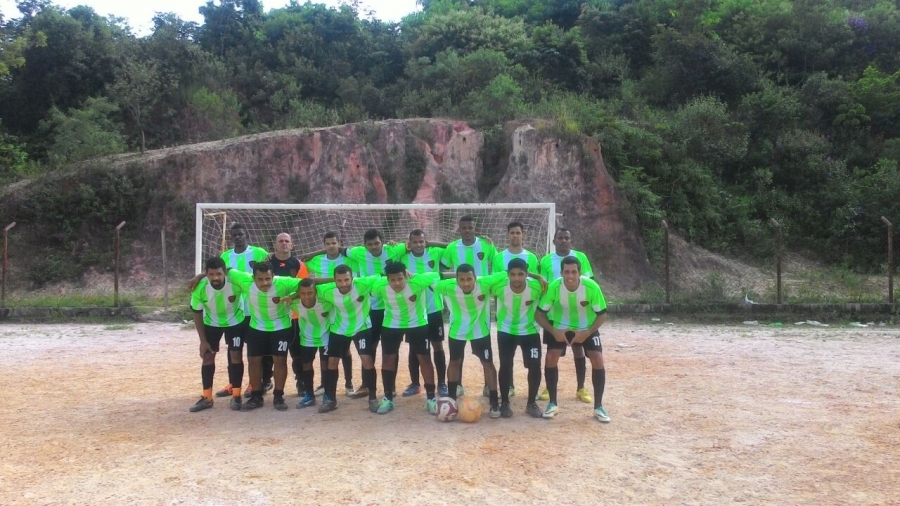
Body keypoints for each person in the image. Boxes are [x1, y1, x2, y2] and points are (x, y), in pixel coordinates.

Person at [534, 256, 610, 422]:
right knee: (551, 356)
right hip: (560, 326)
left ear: (580, 272)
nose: (570, 276)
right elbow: (539, 314)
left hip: (585, 327)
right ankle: (552, 403)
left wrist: (587, 333)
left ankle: (598, 407)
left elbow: (602, 315)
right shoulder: (554, 287)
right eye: (566, 272)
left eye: (574, 272)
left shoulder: (591, 287)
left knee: (597, 358)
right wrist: (553, 331)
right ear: (561, 273)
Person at [433, 264, 507, 418]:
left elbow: (507, 272)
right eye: (462, 279)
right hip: (457, 331)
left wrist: (537, 276)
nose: (466, 283)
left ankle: (494, 402)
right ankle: (451, 400)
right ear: (456, 279)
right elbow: (428, 280)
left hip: (480, 331)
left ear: (475, 278)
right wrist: (408, 273)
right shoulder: (447, 286)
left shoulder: (485, 283)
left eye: (469, 279)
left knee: (488, 364)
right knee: (454, 362)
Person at [368, 262, 441, 414]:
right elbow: (371, 289)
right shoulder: (380, 286)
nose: (397, 283)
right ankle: (388, 398)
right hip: (391, 324)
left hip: (417, 323)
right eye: (392, 279)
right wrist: (380, 276)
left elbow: (436, 275)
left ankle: (431, 398)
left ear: (406, 277)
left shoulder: (418, 281)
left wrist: (413, 273)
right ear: (387, 279)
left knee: (425, 359)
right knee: (388, 359)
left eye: (400, 278)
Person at [228, 262, 302, 411]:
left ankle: (279, 397)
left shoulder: (284, 282)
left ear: (273, 276)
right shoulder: (244, 280)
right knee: (254, 361)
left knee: (280, 361)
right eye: (260, 279)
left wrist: (293, 296)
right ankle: (256, 397)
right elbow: (226, 270)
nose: (265, 283)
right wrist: (198, 277)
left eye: (268, 279)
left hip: (281, 327)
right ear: (253, 278)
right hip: (257, 327)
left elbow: (309, 284)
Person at [343, 229, 406, 399]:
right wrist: (310, 254)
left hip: (391, 310)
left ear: (382, 242)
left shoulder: (394, 249)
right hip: (369, 309)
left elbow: (414, 245)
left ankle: (391, 386)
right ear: (364, 245)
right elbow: (338, 250)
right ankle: (366, 385)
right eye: (369, 244)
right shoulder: (358, 253)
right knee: (369, 348)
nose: (374, 247)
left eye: (377, 243)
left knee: (390, 350)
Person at [537, 227, 596, 405]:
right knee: (552, 353)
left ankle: (581, 388)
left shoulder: (581, 257)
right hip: (556, 315)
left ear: (571, 241)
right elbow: (544, 286)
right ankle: (549, 387)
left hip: (579, 315)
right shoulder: (546, 260)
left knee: (578, 349)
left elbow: (589, 282)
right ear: (554, 241)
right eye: (560, 238)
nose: (563, 240)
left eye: (566, 238)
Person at [212, 223, 270, 399]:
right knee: (233, 348)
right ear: (231, 237)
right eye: (235, 235)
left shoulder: (259, 253)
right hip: (234, 310)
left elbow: (269, 275)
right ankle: (233, 383)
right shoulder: (225, 256)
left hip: (255, 309)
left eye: (241, 234)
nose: (238, 237)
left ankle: (257, 382)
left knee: (256, 349)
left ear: (247, 235)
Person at [315, 265, 383, 413]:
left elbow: (382, 275)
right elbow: (307, 285)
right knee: (332, 361)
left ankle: (373, 398)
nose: (343, 284)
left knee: (367, 359)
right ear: (334, 280)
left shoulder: (363, 283)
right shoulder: (326, 290)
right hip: (339, 328)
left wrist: (405, 272)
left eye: (346, 280)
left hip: (362, 326)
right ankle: (331, 399)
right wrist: (292, 297)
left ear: (352, 278)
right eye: (339, 281)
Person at [441, 216, 497, 397]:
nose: (467, 230)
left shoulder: (487, 245)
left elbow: (496, 266)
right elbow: (442, 268)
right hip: (460, 301)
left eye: (470, 227)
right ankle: (457, 385)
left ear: (475, 227)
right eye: (463, 227)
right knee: (457, 348)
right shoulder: (452, 247)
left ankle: (488, 386)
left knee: (484, 348)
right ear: (459, 229)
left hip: (481, 301)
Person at [490, 258, 547, 418]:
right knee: (506, 365)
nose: (516, 278)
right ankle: (505, 402)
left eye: (520, 274)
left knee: (535, 366)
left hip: (530, 331)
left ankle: (531, 403)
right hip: (506, 331)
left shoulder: (537, 286)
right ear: (507, 274)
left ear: (526, 274)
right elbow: (479, 283)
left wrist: (538, 277)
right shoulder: (498, 286)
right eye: (513, 274)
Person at [188, 257, 247, 412]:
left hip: (235, 321)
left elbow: (253, 284)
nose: (215, 278)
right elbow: (197, 313)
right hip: (211, 323)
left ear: (225, 273)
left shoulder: (235, 281)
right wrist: (202, 341)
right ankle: (207, 397)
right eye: (211, 274)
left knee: (236, 355)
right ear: (206, 274)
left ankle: (236, 395)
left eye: (219, 274)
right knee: (208, 356)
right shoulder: (200, 287)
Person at [396, 229, 449, 398]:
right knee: (414, 348)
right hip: (414, 312)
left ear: (426, 242)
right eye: (415, 242)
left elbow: (452, 247)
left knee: (437, 346)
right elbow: (389, 259)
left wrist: (432, 243)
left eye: (422, 241)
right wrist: (397, 245)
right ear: (409, 243)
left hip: (433, 309)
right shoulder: (403, 258)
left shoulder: (435, 253)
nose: (418, 245)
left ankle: (442, 383)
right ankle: (415, 383)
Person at [303, 231, 356, 396]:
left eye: (334, 243)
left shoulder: (349, 260)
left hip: (344, 306)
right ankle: (324, 383)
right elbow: (301, 264)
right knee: (325, 347)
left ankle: (349, 383)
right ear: (324, 245)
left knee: (345, 348)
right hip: (324, 306)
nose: (331, 246)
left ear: (339, 243)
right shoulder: (316, 261)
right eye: (328, 244)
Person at [266, 233, 314, 399]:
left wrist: (291, 298)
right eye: (280, 241)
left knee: (297, 353)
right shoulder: (267, 263)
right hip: (271, 316)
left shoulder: (299, 265)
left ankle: (301, 382)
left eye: (287, 241)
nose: (284, 243)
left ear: (292, 245)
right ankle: (266, 381)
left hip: (294, 315)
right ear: (275, 245)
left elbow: (305, 287)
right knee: (269, 353)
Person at [281, 278, 332, 409]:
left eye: (310, 293)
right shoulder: (294, 303)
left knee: (326, 365)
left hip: (326, 336)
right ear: (299, 293)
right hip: (307, 338)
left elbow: (333, 285)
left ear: (316, 292)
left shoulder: (327, 301)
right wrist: (293, 296)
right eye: (303, 293)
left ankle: (328, 395)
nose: (306, 297)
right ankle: (309, 395)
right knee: (306, 365)